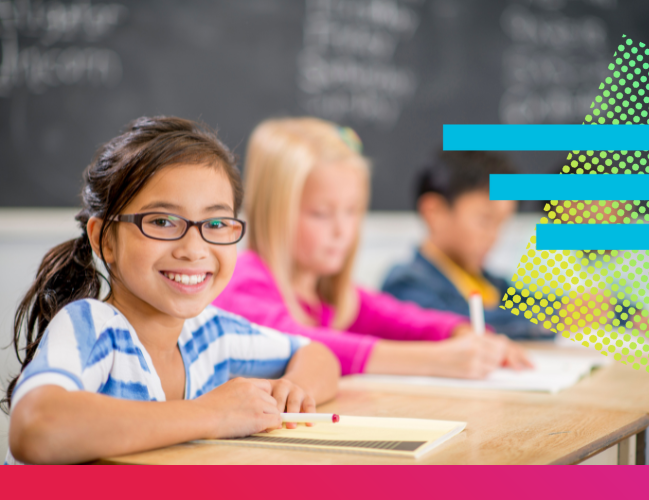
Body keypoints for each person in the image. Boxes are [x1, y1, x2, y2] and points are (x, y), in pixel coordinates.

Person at [3, 117, 340, 465]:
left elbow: (318, 355)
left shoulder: (212, 334)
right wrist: (210, 414)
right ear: (104, 239)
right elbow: (35, 427)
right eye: (162, 222)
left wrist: (293, 390)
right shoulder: (93, 328)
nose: (193, 250)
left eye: (215, 224)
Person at [213, 117, 532, 379]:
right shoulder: (244, 281)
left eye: (351, 212)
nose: (342, 231)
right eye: (321, 214)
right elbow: (302, 344)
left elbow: (403, 318)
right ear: (275, 211)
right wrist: (436, 360)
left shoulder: (331, 295)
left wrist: (459, 332)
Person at [381, 151, 555, 340]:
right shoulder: (406, 285)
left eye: (501, 224)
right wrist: (557, 315)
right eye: (485, 220)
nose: (493, 237)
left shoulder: (489, 283)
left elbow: (531, 305)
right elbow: (456, 323)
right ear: (435, 213)